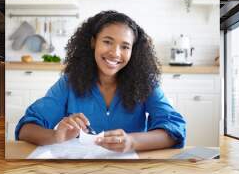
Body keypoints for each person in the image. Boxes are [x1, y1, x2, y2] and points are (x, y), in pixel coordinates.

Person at [15, 10, 186, 153]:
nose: (115, 53)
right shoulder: (69, 83)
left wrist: (132, 141)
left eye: (125, 46)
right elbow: (26, 128)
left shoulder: (145, 83)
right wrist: (56, 136)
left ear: (133, 51)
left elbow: (175, 129)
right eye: (107, 42)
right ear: (93, 42)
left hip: (133, 172)